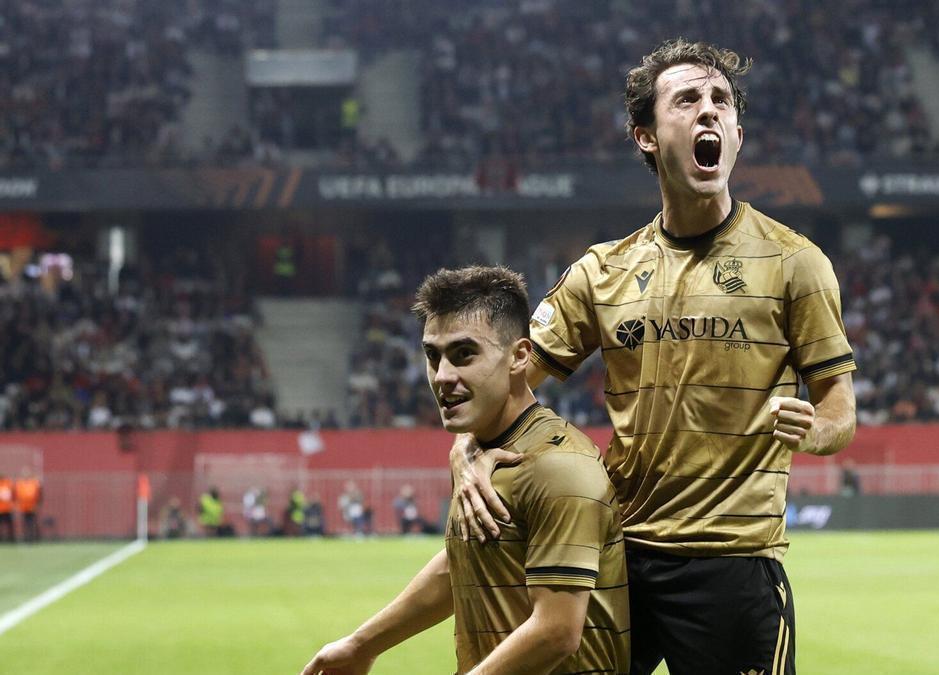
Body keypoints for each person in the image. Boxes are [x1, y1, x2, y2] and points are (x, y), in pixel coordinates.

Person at [453, 39, 856, 675]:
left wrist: (819, 428)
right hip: (620, 555)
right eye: (688, 99)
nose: (709, 112)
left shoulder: (794, 262)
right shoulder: (602, 271)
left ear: (737, 136)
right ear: (645, 136)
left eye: (721, 101)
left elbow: (840, 410)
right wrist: (465, 450)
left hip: (734, 562)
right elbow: (503, 383)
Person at [301, 266, 629, 675]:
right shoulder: (479, 457)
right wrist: (361, 645)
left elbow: (557, 631)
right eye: (432, 356)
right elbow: (463, 560)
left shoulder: (560, 466)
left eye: (464, 354)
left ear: (520, 356)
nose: (442, 377)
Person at [14, 468, 43, 542]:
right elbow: (16, 495)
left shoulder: (34, 483)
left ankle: (34, 538)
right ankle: (26, 538)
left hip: (32, 507)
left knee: (32, 522)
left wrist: (37, 504)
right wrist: (17, 504)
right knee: (25, 523)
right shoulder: (19, 483)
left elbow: (39, 495)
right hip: (23, 507)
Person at [0, 472, 15, 543]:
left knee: (9, 525)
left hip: (7, 509)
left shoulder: (8, 483)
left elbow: (12, 495)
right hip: (1, 509)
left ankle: (10, 539)